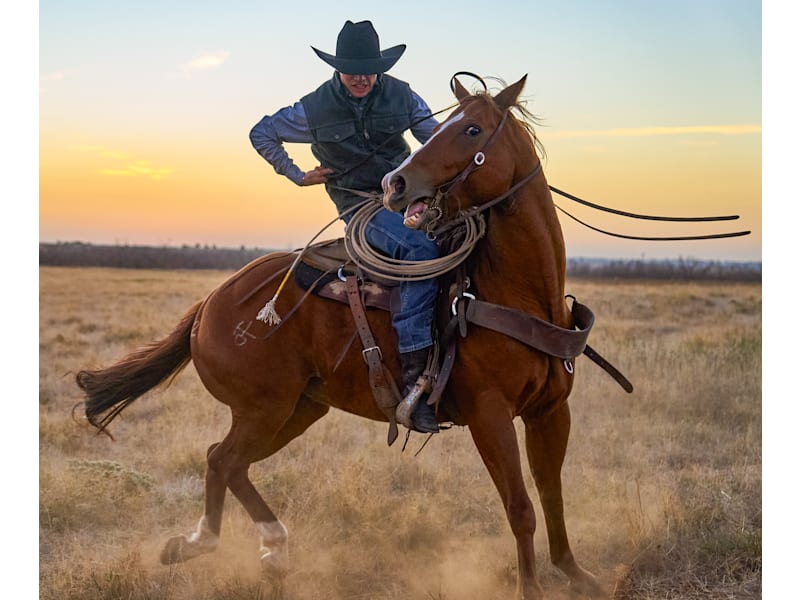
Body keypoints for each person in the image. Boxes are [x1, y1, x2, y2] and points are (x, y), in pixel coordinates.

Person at [249, 20, 440, 433]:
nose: (361, 77)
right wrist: (296, 174)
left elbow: (437, 138)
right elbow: (262, 132)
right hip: (360, 207)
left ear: (380, 68)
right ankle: (414, 376)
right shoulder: (313, 108)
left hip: (406, 196)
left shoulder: (403, 96)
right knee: (419, 251)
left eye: (369, 69)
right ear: (337, 69)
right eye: (352, 69)